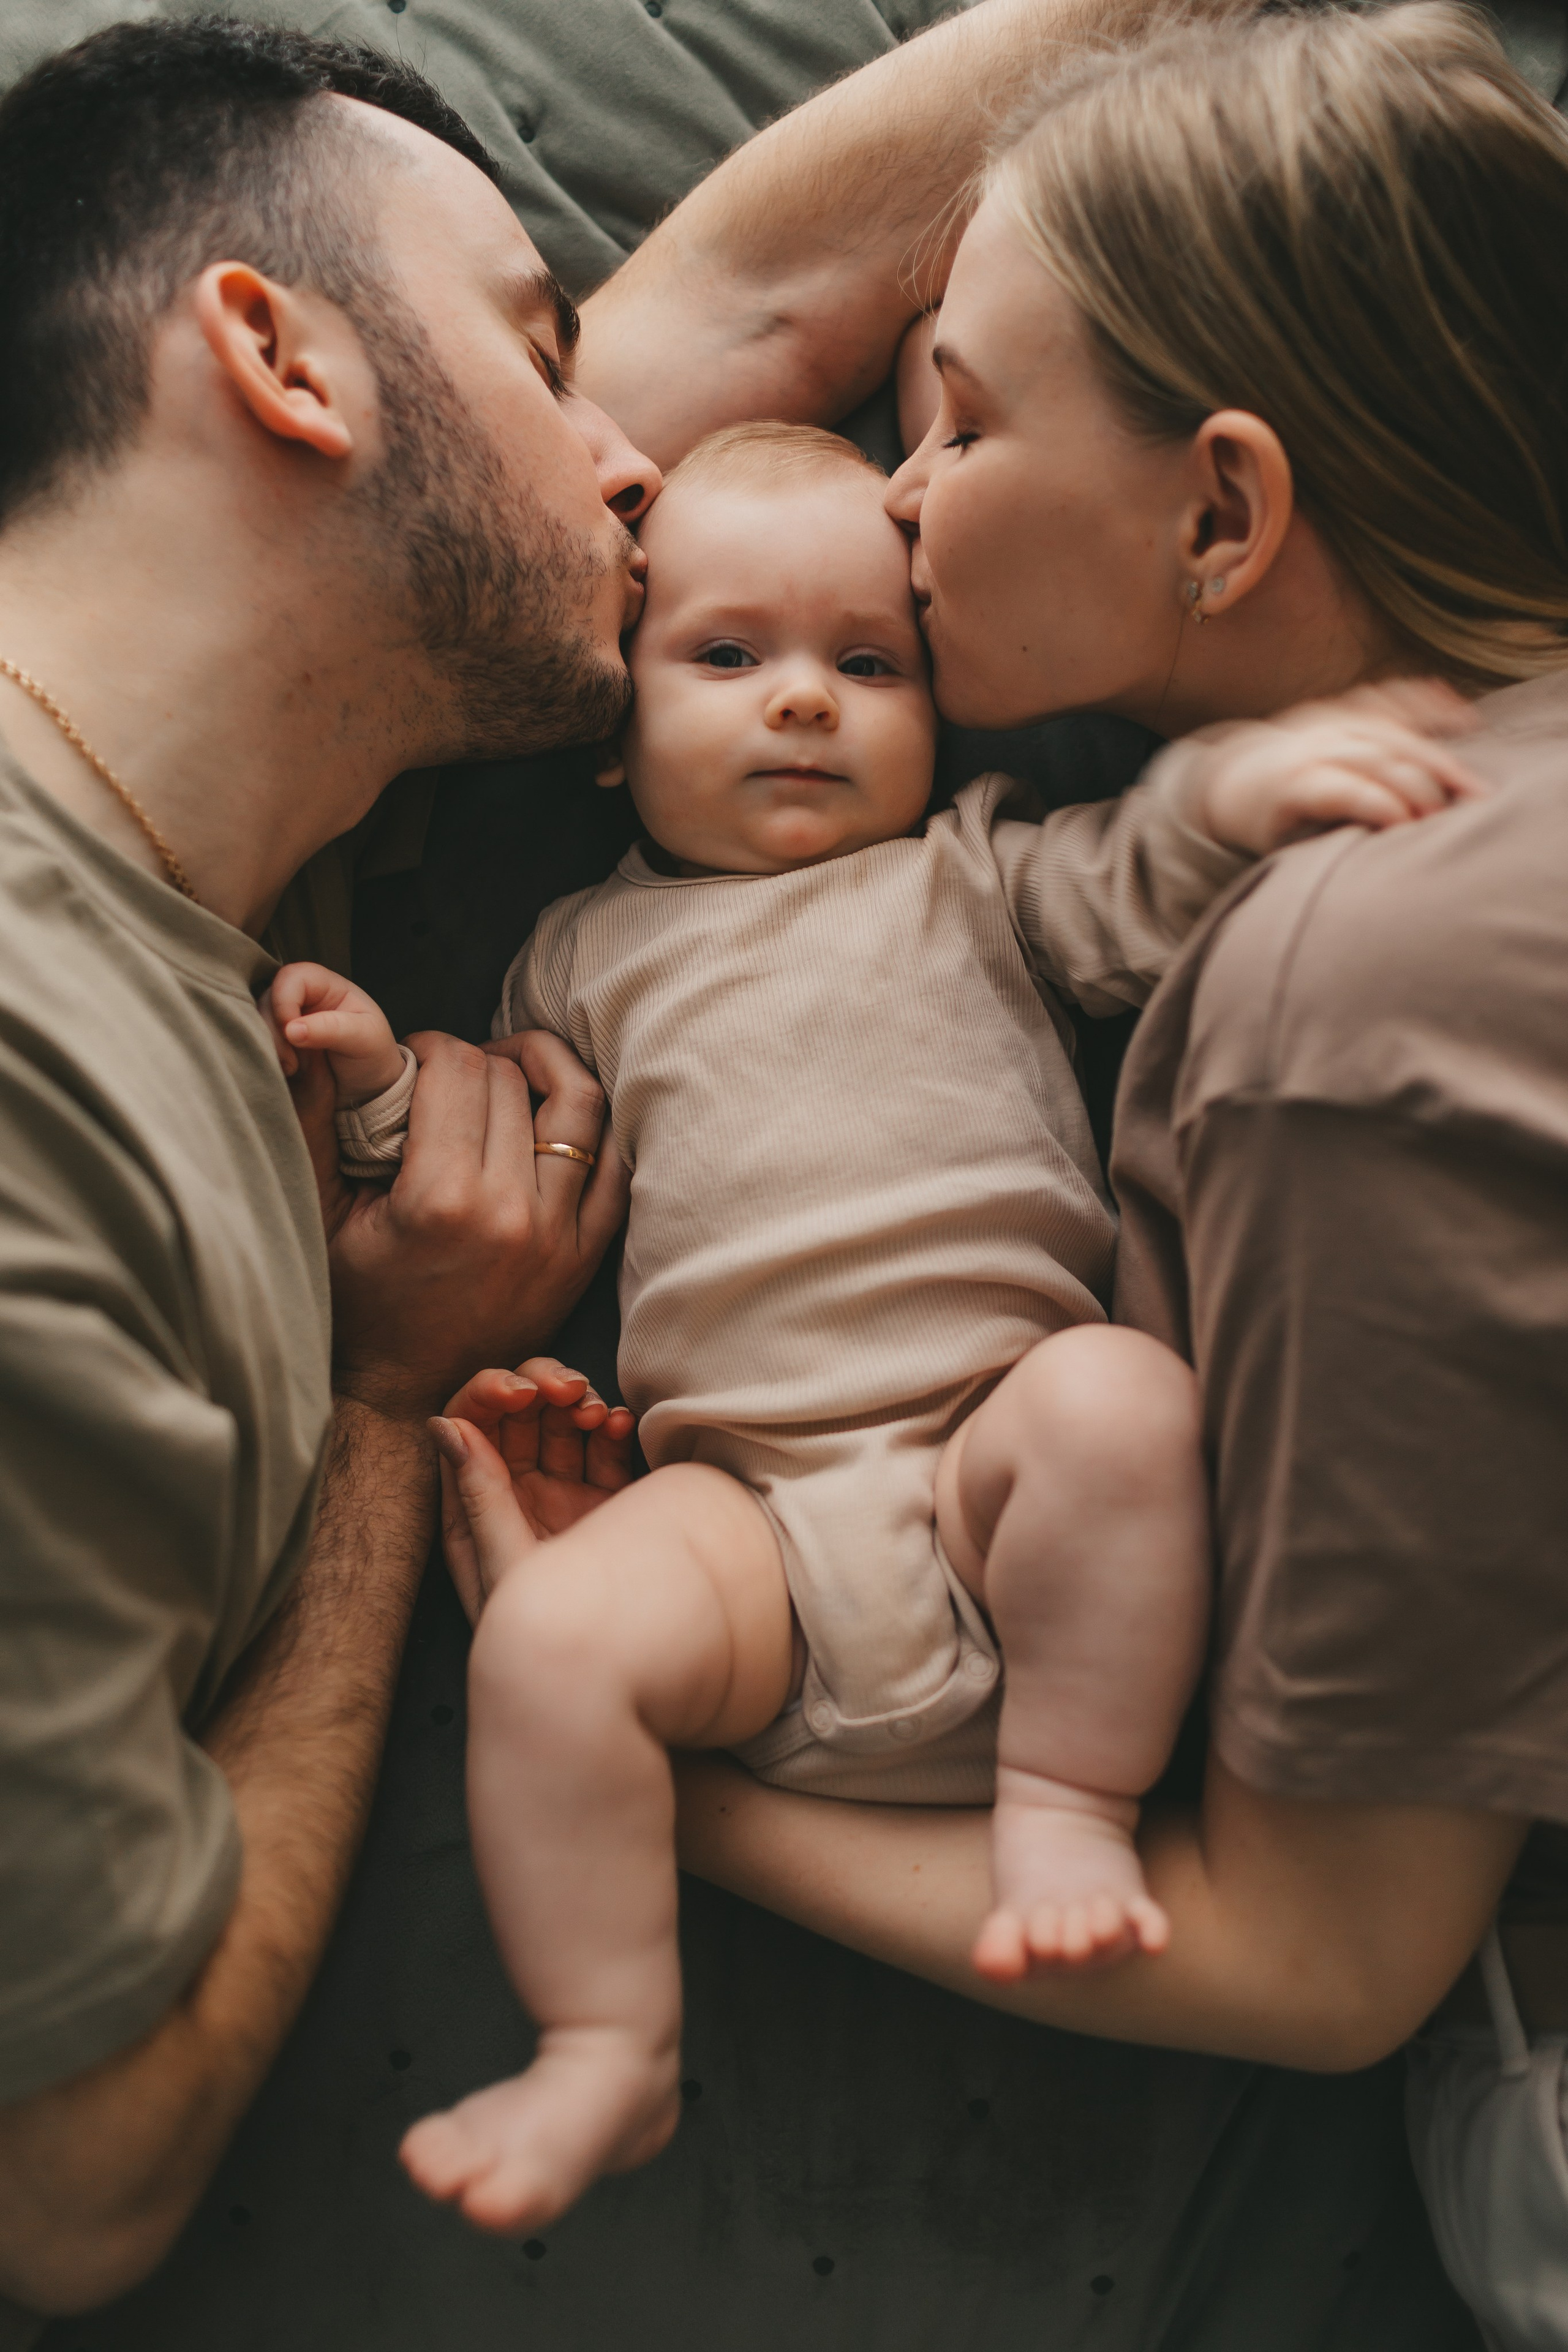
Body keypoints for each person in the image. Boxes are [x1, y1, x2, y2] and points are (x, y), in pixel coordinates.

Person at [598, 7, 1568, 2342]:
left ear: (1222, 514)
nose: (895, 498)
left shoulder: (1356, 1003)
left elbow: (1326, 1963)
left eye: (955, 416)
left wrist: (672, 1789)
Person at [271, 417, 1476, 2234]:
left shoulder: (972, 870)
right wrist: (370, 1078)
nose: (807, 705)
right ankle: (606, 2037)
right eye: (731, 658)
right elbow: (493, 1150)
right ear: (614, 733)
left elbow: (1133, 887)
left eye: (868, 661)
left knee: (1122, 1403)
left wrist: (1239, 798)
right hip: (750, 1520)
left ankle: (1064, 1813)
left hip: (1004, 1493)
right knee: (543, 1647)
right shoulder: (576, 959)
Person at [0, 18, 663, 2335]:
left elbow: (771, 296)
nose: (638, 455)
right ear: (277, 357)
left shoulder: (208, 876)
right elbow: (68, 2183)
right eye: (543, 345)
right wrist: (389, 1411)